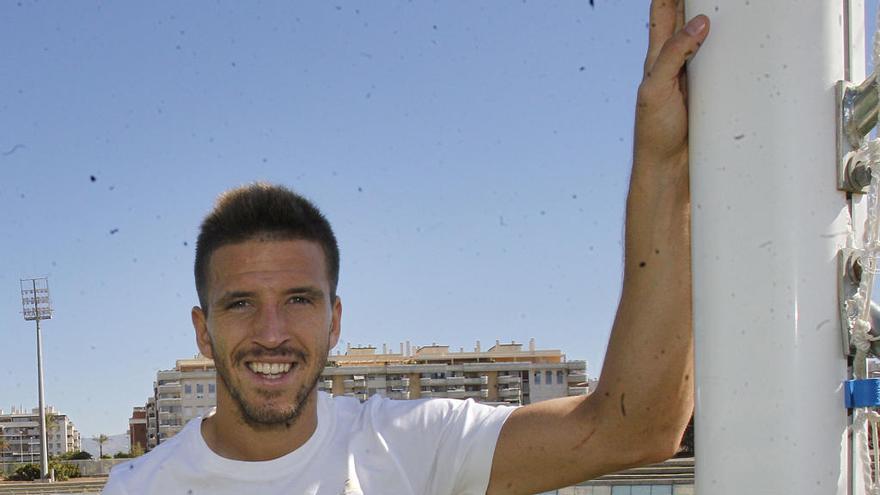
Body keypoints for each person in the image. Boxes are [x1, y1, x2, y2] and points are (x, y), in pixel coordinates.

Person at [103, 2, 710, 494]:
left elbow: (635, 428)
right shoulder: (139, 488)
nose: (271, 331)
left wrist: (663, 162)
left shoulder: (412, 445)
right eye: (239, 303)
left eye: (298, 299)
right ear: (202, 331)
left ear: (334, 320)